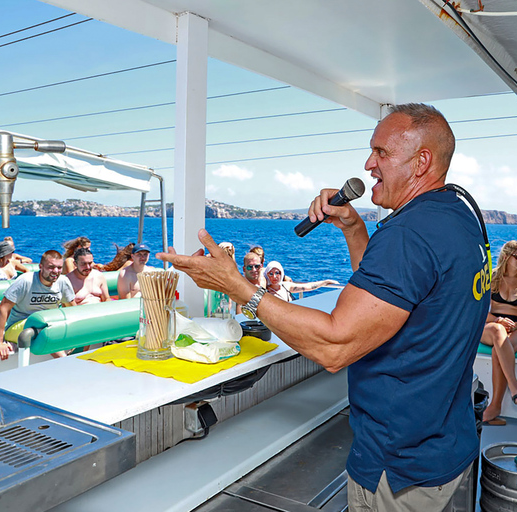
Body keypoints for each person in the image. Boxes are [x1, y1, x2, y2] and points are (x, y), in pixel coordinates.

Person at [158, 103, 490, 510]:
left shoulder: (408, 234)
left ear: (422, 162)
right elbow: (393, 297)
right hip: (447, 445)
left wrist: (239, 288)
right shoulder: (459, 213)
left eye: (381, 152)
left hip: (399, 465)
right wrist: (354, 228)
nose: (369, 164)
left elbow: (335, 347)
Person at [480, 241, 517, 425]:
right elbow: (480, 311)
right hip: (492, 325)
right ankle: (515, 388)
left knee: (499, 350)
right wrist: (498, 320)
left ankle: (495, 406)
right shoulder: (492, 278)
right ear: (506, 257)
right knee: (499, 332)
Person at [0, 250, 76, 360]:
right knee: (40, 322)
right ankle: (65, 361)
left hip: (48, 326)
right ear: (41, 266)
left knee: (49, 323)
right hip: (18, 329)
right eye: (51, 267)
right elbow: (2, 309)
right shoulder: (26, 281)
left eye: (59, 268)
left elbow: (72, 309)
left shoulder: (63, 282)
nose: (55, 271)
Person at [264, 261, 339, 302]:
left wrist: (325, 282)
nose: (274, 276)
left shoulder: (286, 286)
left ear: (281, 273)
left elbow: (308, 287)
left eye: (277, 273)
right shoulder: (266, 291)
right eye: (271, 274)